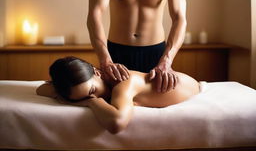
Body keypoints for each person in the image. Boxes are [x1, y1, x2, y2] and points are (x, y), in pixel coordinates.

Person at [36, 57, 200, 134]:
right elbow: (41, 89)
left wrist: (91, 102)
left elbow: (116, 123)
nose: (92, 96)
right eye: (82, 98)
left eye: (92, 91)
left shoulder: (124, 84)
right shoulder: (96, 85)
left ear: (97, 73)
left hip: (188, 86)